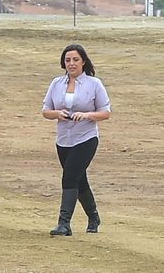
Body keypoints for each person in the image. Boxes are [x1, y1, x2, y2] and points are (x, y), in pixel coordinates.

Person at [39, 43, 111, 236]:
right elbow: (46, 110)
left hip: (85, 138)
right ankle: (94, 217)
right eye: (68, 60)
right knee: (79, 180)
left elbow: (105, 112)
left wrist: (87, 115)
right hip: (63, 140)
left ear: (83, 62)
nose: (71, 63)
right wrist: (57, 114)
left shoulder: (94, 84)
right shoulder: (56, 83)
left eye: (75, 60)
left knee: (70, 176)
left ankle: (64, 223)